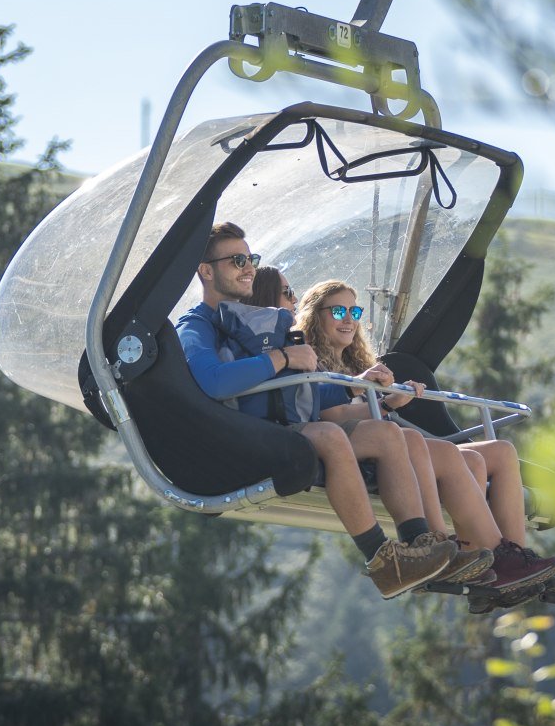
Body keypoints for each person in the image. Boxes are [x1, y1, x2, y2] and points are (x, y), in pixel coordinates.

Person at [173, 223, 462, 599]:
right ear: (206, 271)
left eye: (251, 259)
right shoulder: (197, 326)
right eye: (237, 260)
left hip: (282, 425)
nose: (248, 268)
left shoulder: (256, 325)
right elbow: (213, 381)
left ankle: (419, 545)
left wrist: (355, 385)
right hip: (242, 437)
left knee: (390, 434)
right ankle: (381, 558)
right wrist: (281, 358)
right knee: (326, 435)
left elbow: (299, 395)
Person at [294, 279, 555, 596]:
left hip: (384, 438)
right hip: (363, 445)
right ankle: (480, 556)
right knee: (444, 453)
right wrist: (383, 403)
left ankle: (508, 559)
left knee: (497, 451)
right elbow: (326, 414)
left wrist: (391, 400)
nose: (349, 319)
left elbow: (369, 413)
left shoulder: (360, 364)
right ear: (315, 316)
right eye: (338, 310)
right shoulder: (311, 360)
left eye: (355, 310)